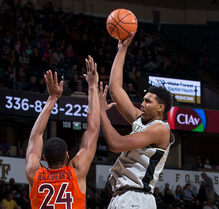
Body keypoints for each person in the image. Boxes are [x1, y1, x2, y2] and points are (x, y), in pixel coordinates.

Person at [99, 32, 174, 209]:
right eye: (143, 99)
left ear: (160, 108)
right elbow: (115, 90)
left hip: (137, 198)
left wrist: (101, 112)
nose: (142, 103)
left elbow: (116, 144)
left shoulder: (160, 130)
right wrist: (122, 49)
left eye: (148, 101)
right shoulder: (141, 121)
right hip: (123, 196)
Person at [25, 56, 100, 208]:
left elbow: (35, 136)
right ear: (67, 155)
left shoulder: (34, 174)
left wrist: (52, 99)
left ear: (44, 158)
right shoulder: (77, 172)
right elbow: (93, 128)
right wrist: (92, 86)